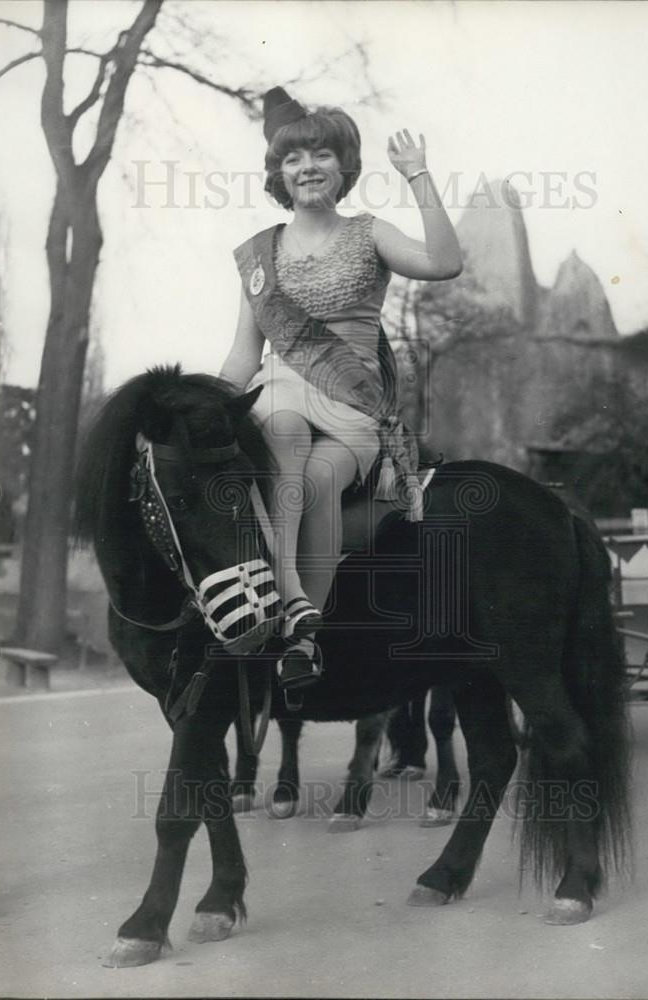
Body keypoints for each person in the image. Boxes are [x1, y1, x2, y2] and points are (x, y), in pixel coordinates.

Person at [220, 87, 462, 689]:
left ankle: (303, 635)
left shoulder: (368, 232)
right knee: (277, 422)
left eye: (322, 155)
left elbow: (444, 262)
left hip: (353, 401)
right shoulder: (261, 254)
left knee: (323, 477)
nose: (308, 168)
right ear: (279, 173)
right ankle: (295, 601)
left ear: (342, 166)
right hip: (282, 385)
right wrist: (201, 409)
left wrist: (419, 176)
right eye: (294, 159)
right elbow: (244, 355)